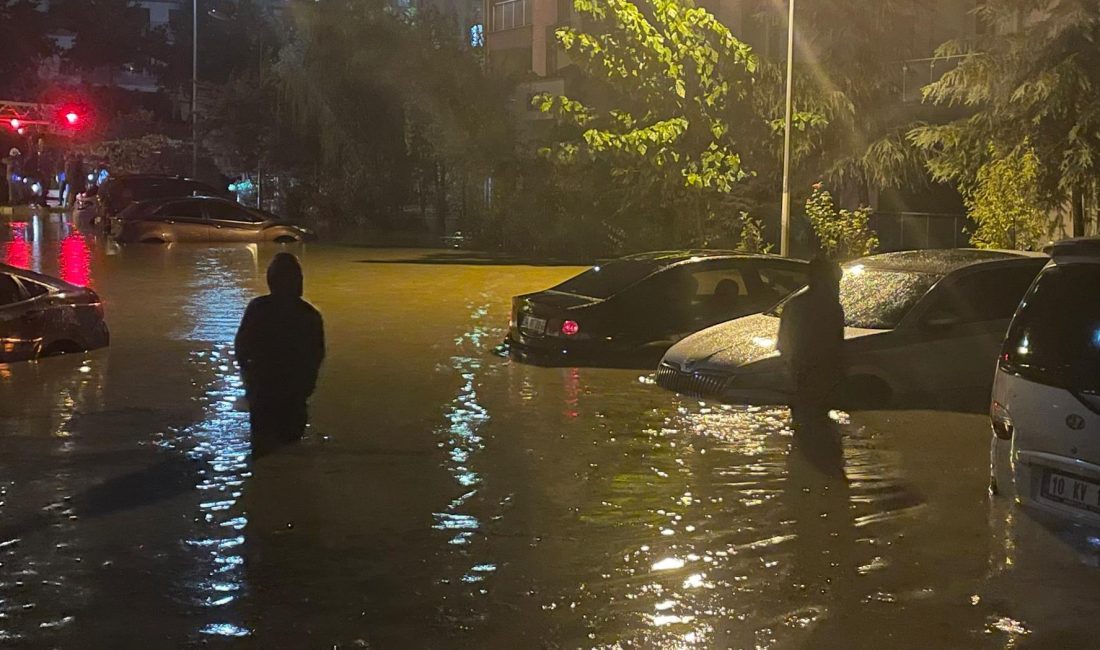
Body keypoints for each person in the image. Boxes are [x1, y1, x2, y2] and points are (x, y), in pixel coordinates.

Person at [235, 253, 325, 457]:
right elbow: (316, 355)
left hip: (264, 391)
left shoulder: (258, 308)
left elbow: (241, 348)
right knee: (291, 452)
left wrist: (249, 380)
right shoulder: (309, 315)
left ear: (270, 280)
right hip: (293, 393)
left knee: (263, 451)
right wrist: (307, 386)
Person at [778, 256, 845, 423]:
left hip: (800, 373)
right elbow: (836, 344)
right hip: (819, 374)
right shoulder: (831, 307)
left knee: (804, 420)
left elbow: (783, 342)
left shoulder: (794, 304)